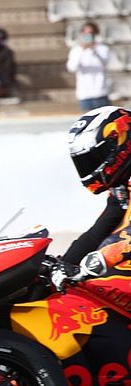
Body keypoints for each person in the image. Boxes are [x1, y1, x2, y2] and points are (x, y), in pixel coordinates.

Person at [61, 106, 131, 282]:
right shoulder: (123, 180)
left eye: (96, 157)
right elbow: (101, 228)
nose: (91, 166)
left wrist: (104, 257)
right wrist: (62, 264)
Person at [66, 22, 111, 112]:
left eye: (91, 33)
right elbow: (71, 68)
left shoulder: (102, 48)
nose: (89, 36)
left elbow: (104, 64)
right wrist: (83, 49)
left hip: (100, 92)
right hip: (85, 93)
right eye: (86, 33)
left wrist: (94, 50)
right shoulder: (77, 50)